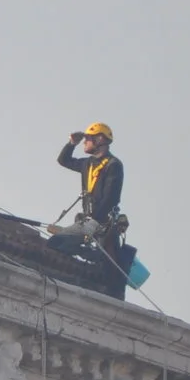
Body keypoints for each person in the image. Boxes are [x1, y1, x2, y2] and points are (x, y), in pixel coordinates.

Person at [54, 122, 135, 295]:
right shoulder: (87, 164)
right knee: (58, 241)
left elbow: (110, 198)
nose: (85, 143)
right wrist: (71, 144)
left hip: (103, 222)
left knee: (109, 267)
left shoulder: (113, 165)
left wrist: (95, 221)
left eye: (88, 139)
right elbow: (64, 160)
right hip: (88, 220)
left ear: (99, 139)